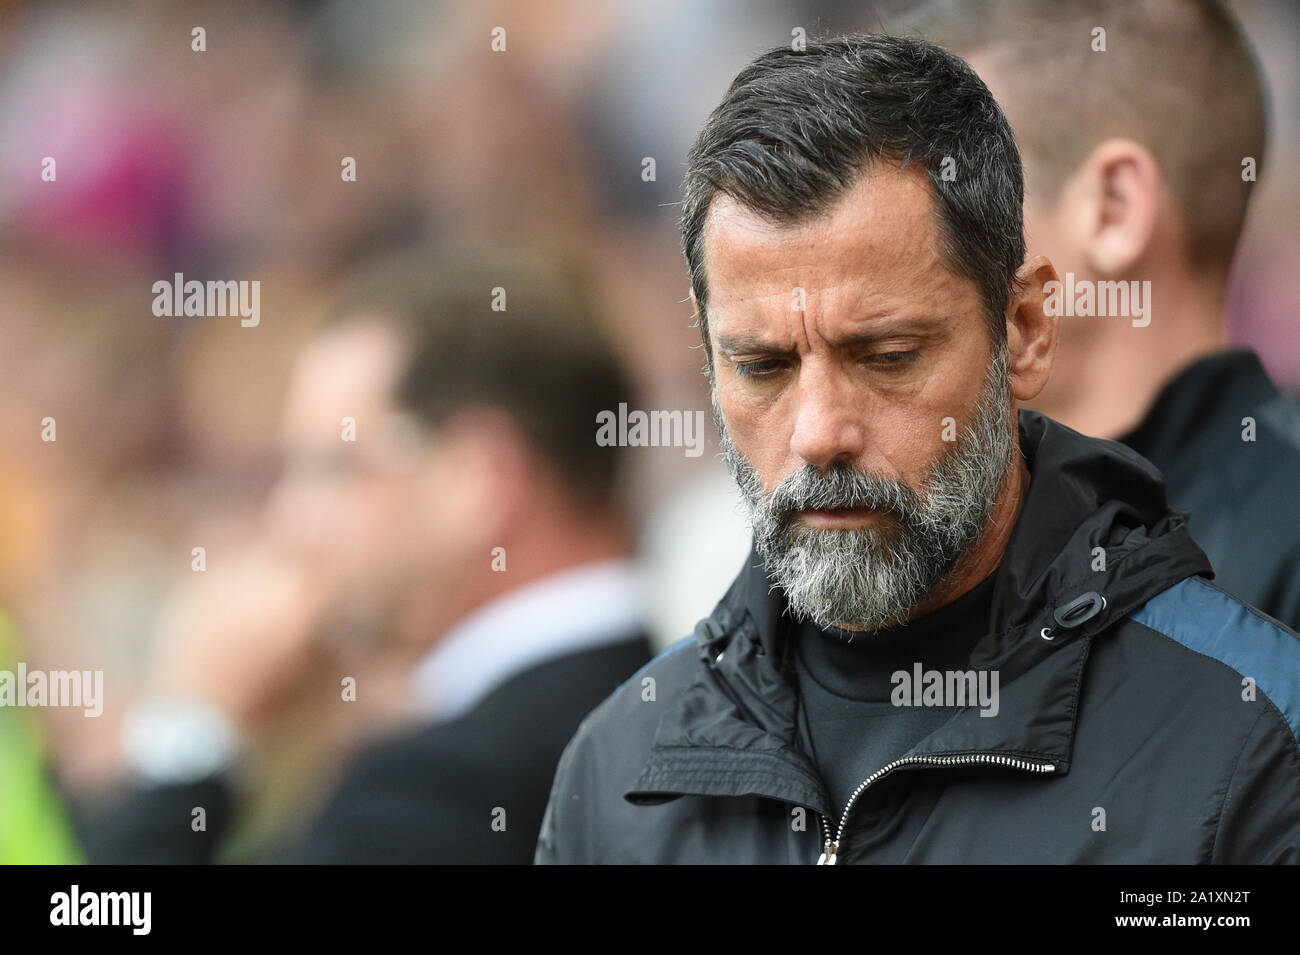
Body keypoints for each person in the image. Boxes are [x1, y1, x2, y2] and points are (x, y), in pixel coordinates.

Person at [536, 33, 1300, 864]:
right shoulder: (618, 773)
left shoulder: (1248, 733)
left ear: (1026, 329)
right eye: (761, 366)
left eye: (888, 356)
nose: (820, 431)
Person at [81, 246, 652, 863]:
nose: (291, 521)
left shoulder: (437, 792)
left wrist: (193, 731)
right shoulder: (700, 703)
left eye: (333, 468)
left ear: (480, 479)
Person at [893, 0, 1300, 629]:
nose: (889, 244)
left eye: (953, 184)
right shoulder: (920, 529)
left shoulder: (1279, 556)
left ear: (1113, 209)